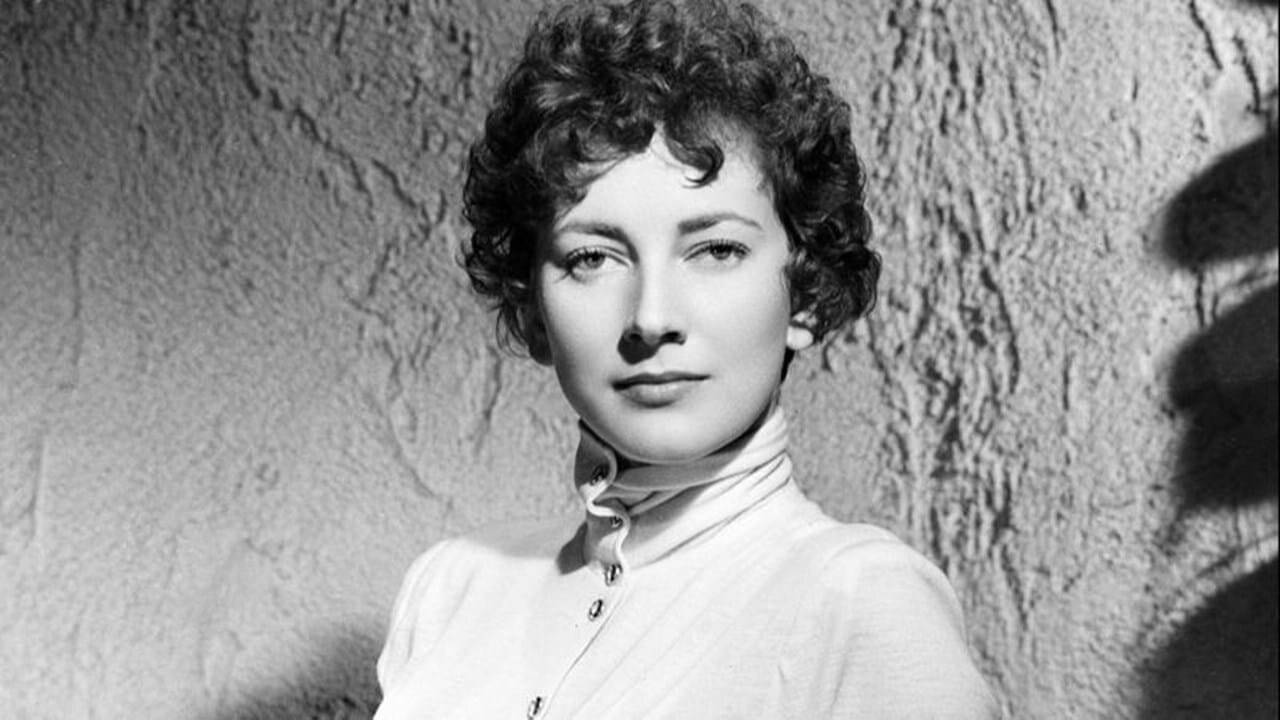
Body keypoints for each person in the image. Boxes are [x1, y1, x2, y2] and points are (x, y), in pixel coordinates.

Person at [374, 0, 999, 717]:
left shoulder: (864, 602)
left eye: (716, 250)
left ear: (803, 292)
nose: (652, 318)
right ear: (533, 305)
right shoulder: (449, 590)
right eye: (592, 258)